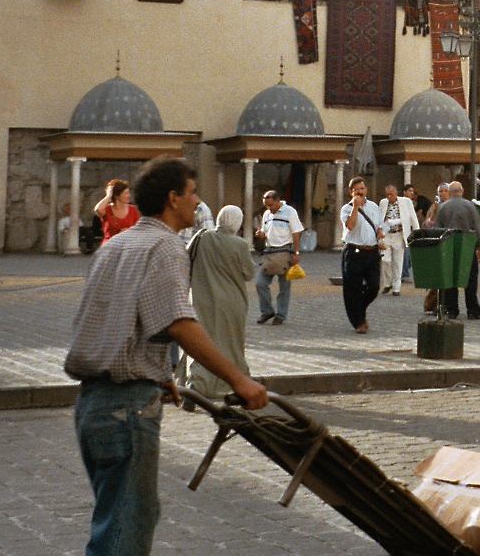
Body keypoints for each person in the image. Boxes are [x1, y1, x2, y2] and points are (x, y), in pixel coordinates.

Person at [65, 155, 267, 556]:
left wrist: (160, 375)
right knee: (124, 533)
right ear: (173, 199)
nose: (197, 201)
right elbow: (179, 322)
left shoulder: (115, 246)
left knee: (121, 518)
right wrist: (239, 379)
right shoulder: (166, 247)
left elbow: (113, 322)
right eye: (193, 193)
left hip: (92, 405)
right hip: (127, 409)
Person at [178, 205, 254, 398]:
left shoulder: (203, 237)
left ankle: (196, 384)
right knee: (232, 345)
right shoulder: (240, 244)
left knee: (202, 343)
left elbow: (186, 259)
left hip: (202, 300)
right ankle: (238, 385)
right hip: (232, 303)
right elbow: (249, 273)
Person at [338, 177, 384, 333]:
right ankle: (358, 322)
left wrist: (380, 233)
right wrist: (355, 208)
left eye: (362, 188)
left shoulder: (373, 206)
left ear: (366, 189)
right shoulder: (346, 209)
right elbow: (350, 226)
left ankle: (360, 309)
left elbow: (379, 225)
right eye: (356, 189)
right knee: (352, 289)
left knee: (374, 287)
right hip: (353, 251)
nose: (360, 192)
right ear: (351, 192)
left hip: (371, 252)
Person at [434, 181, 480, 320]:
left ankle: (452, 310)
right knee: (471, 278)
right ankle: (472, 310)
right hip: (467, 248)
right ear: (462, 191)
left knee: (450, 279)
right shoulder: (470, 206)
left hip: (449, 247)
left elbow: (437, 229)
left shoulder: (443, 207)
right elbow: (477, 227)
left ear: (450, 192)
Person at [254, 190, 302, 326]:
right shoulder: (267, 214)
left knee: (284, 286)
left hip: (285, 251)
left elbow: (296, 233)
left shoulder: (290, 212)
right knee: (260, 284)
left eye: (270, 205)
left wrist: (296, 253)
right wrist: (260, 234)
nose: (269, 208)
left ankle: (280, 315)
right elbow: (265, 232)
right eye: (266, 206)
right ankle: (267, 311)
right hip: (269, 253)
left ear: (277, 201)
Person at [378, 184, 419, 296]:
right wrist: (380, 231)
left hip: (399, 234)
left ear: (396, 193)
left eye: (391, 194)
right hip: (386, 235)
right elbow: (380, 218)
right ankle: (387, 283)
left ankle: (396, 287)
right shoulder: (383, 203)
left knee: (398, 261)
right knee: (385, 260)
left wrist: (417, 232)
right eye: (387, 195)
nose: (389, 196)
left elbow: (413, 218)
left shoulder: (406, 202)